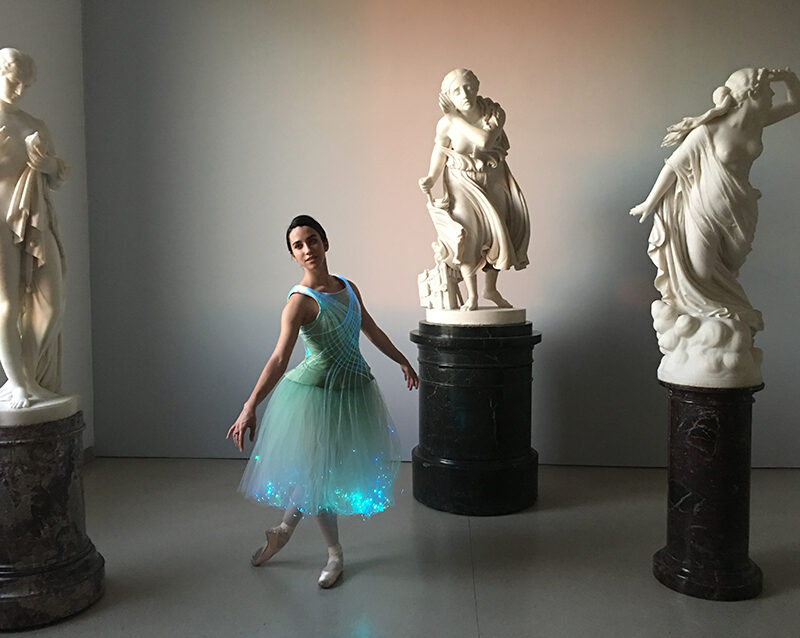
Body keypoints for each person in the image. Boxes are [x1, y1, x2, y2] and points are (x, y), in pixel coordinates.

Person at [227, 215, 418, 588]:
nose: (307, 249)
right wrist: (250, 405)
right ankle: (334, 554)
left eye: (312, 240)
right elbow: (279, 358)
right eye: (297, 245)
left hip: (355, 392)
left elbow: (370, 328)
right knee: (321, 474)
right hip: (316, 397)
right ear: (293, 256)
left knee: (318, 472)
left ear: (325, 243)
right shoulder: (299, 302)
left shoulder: (349, 287)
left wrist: (401, 360)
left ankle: (283, 532)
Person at [629, 67, 800, 385]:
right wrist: (650, 203)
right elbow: (673, 167)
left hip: (741, 210)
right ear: (752, 94)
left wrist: (787, 78)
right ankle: (714, 329)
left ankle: (726, 324)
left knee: (729, 269)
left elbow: (795, 104)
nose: (771, 97)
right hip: (702, 211)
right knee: (702, 272)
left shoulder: (757, 122)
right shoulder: (707, 132)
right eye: (768, 92)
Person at [418, 68, 529, 311]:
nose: (464, 94)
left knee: (497, 232)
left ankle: (491, 289)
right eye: (456, 91)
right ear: (448, 95)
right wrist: (431, 177)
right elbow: (440, 150)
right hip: (460, 182)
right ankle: (472, 296)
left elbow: (485, 141)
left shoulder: (493, 113)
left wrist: (455, 117)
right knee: (465, 237)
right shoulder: (444, 125)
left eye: (468, 87)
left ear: (477, 87)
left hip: (493, 180)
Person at [0, 48, 67, 409]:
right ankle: (17, 384)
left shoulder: (34, 124)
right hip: (0, 222)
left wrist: (47, 164)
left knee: (51, 303)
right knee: (7, 304)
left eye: (26, 85)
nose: (20, 90)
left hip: (35, 220)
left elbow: (58, 176)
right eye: (14, 82)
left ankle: (28, 376)